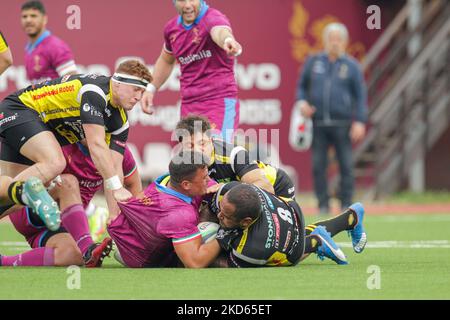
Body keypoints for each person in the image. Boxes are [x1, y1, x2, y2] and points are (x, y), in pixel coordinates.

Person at [0, 59, 151, 207]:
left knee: (9, 199)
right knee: (55, 162)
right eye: (136, 89)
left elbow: (115, 167)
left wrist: (113, 214)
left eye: (142, 91)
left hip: (33, 123)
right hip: (20, 109)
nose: (138, 97)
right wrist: (116, 188)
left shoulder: (120, 121)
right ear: (118, 83)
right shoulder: (95, 92)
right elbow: (96, 145)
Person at [0, 143, 142, 267]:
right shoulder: (58, 140)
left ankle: (4, 261)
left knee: (72, 255)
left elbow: (133, 184)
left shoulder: (118, 152)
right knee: (67, 183)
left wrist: (141, 233)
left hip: (57, 224)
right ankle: (88, 248)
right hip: (29, 209)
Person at [141, 0, 242, 142]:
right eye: (182, 0)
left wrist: (227, 40)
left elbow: (219, 31)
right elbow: (166, 60)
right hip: (189, 105)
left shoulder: (212, 18)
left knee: (216, 153)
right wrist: (150, 89)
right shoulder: (172, 29)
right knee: (191, 160)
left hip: (218, 102)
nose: (187, 5)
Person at [295, 22, 368, 215]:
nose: (334, 43)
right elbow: (301, 87)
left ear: (344, 42)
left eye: (338, 39)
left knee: (346, 166)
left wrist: (359, 121)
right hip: (317, 123)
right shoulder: (313, 62)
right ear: (325, 41)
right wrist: (302, 102)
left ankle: (346, 204)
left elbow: (360, 96)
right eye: (331, 39)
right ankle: (323, 205)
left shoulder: (352, 66)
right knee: (318, 166)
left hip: (342, 124)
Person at [207, 182, 367, 267]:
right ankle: (351, 218)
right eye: (220, 210)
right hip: (288, 207)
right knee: (295, 233)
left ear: (246, 222)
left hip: (283, 234)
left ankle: (315, 242)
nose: (219, 215)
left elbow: (224, 263)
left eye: (226, 216)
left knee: (286, 256)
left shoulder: (251, 249)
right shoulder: (229, 191)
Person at [106, 150, 221, 268]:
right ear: (186, 185)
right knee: (214, 235)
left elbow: (212, 186)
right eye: (204, 178)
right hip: (145, 261)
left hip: (138, 237)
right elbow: (194, 263)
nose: (208, 180)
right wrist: (224, 235)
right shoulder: (178, 214)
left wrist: (219, 188)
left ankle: (125, 250)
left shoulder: (167, 179)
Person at [176, 115, 296, 199]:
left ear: (211, 140)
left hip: (277, 186)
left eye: (202, 143)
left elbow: (266, 188)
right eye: (190, 146)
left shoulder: (234, 154)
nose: (197, 150)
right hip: (242, 194)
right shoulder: (181, 164)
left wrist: (228, 187)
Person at [21, 0, 77, 83]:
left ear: (44, 19)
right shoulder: (29, 48)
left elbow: (72, 81)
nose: (28, 20)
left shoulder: (55, 46)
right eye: (24, 16)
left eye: (33, 16)